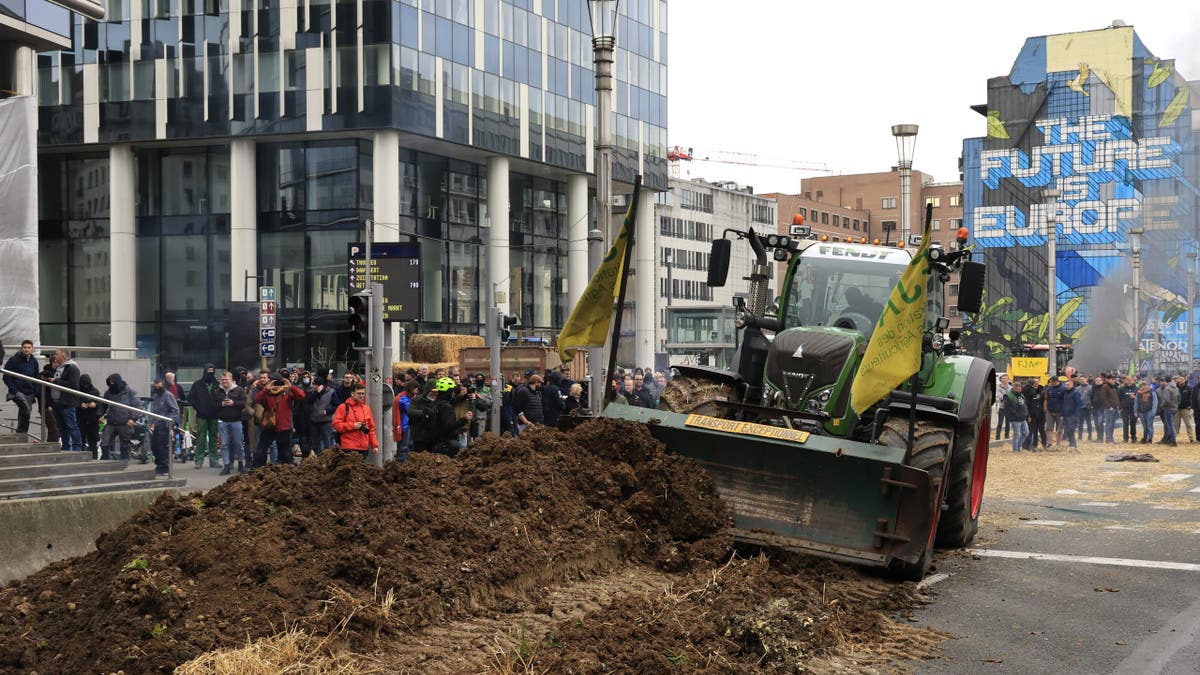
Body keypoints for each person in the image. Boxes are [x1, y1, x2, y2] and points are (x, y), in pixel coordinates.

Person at [410, 377, 472, 456]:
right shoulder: (446, 407)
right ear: (449, 392)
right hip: (444, 445)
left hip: (432, 443)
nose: (453, 393)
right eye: (452, 391)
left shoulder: (434, 403)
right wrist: (465, 419)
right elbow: (449, 426)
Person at [253, 375, 305, 467]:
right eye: (274, 382)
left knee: (286, 452)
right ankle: (256, 469)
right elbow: (257, 399)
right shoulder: (267, 393)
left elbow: (301, 396)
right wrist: (266, 389)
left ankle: (287, 470)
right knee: (261, 450)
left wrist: (291, 386)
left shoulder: (287, 392)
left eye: (279, 382)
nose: (277, 385)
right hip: (270, 426)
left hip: (284, 427)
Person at [99, 373, 142, 461]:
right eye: (109, 382)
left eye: (113, 382)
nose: (111, 384)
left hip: (125, 422)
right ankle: (105, 461)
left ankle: (124, 462)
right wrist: (99, 415)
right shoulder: (109, 392)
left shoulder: (130, 391)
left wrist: (133, 418)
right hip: (111, 421)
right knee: (105, 443)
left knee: (124, 445)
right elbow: (103, 405)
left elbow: (138, 406)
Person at [332, 383, 379, 458]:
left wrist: (374, 445)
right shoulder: (343, 407)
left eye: (363, 393)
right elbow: (336, 425)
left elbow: (371, 428)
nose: (361, 396)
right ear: (352, 394)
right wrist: (353, 426)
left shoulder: (366, 409)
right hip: (348, 447)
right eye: (359, 393)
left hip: (363, 448)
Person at [214, 370, 247, 474]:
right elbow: (212, 405)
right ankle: (227, 465)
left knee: (238, 443)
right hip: (222, 421)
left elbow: (244, 403)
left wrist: (234, 403)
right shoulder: (217, 391)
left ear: (231, 379)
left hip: (236, 420)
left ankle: (241, 463)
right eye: (222, 380)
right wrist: (221, 404)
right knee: (224, 444)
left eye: (226, 379)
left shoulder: (239, 390)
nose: (224, 381)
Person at [189, 363, 221, 469]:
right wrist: (198, 407)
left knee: (214, 438)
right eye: (208, 371)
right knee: (200, 438)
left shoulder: (218, 385)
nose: (210, 373)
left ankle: (214, 460)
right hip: (201, 415)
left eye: (212, 371)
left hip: (214, 415)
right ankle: (198, 460)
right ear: (204, 371)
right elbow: (191, 398)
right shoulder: (197, 384)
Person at [3, 340, 39, 434]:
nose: (26, 349)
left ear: (32, 349)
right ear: (21, 348)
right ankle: (21, 433)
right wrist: (13, 389)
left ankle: (21, 435)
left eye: (29, 347)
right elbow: (6, 376)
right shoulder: (14, 359)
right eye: (25, 347)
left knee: (25, 413)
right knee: (25, 409)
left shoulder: (34, 361)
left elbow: (36, 376)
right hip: (18, 391)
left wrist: (35, 391)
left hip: (29, 392)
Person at [50, 349, 83, 452]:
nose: (55, 356)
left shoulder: (72, 368)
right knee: (61, 426)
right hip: (57, 401)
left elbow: (72, 385)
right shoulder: (58, 368)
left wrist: (56, 381)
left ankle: (77, 447)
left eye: (57, 354)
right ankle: (65, 446)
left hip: (67, 402)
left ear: (63, 356)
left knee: (71, 425)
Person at [148, 378, 179, 476]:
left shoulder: (168, 395)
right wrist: (151, 422)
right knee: (155, 446)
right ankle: (159, 465)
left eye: (159, 386)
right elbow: (153, 411)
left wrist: (167, 421)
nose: (157, 387)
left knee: (163, 447)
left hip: (164, 425)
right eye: (155, 385)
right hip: (156, 425)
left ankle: (165, 467)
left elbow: (175, 410)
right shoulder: (155, 396)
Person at [309, 376, 337, 456]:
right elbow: (308, 402)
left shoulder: (331, 392)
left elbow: (336, 405)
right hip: (314, 420)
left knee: (326, 442)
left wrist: (328, 411)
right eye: (314, 384)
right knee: (315, 443)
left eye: (316, 385)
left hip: (326, 421)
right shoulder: (312, 392)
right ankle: (318, 457)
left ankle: (327, 458)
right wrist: (316, 393)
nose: (314, 386)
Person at [76, 374, 102, 459]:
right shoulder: (78, 391)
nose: (85, 386)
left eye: (87, 384)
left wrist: (95, 404)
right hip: (81, 419)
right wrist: (80, 405)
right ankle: (81, 458)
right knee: (81, 441)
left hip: (92, 420)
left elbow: (100, 403)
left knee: (93, 442)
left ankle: (94, 458)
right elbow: (74, 402)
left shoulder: (95, 391)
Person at [1004, 381, 1029, 453]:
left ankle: (1018, 446)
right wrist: (1015, 414)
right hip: (1015, 419)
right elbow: (1007, 407)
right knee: (1017, 434)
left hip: (1023, 418)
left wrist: (1026, 413)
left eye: (1020, 388)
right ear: (1014, 388)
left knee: (1026, 433)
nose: (1019, 389)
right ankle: (1015, 450)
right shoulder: (1008, 396)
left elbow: (1024, 405)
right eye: (1017, 388)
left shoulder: (1021, 395)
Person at [1097, 374, 1120, 444]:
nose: (1114, 380)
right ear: (1108, 380)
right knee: (1109, 424)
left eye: (1114, 379)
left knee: (1112, 424)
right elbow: (1104, 398)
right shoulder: (1105, 386)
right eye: (1112, 379)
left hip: (1115, 408)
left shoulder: (1113, 387)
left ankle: (1111, 438)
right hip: (1109, 409)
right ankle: (1108, 439)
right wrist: (1109, 407)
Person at [1043, 376, 1064, 448]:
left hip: (1060, 412)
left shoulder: (1063, 389)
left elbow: (1065, 401)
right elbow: (1046, 399)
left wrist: (1064, 412)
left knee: (1059, 428)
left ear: (1056, 381)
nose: (1050, 384)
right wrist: (1045, 408)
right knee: (1048, 427)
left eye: (1051, 382)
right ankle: (1049, 443)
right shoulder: (1049, 388)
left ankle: (1058, 444)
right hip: (1050, 411)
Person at [1158, 376, 1180, 446]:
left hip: (1168, 408)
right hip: (1174, 408)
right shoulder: (1176, 387)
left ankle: (1173, 441)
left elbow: (1166, 400)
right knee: (1168, 424)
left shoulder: (1167, 388)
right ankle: (1167, 439)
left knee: (1170, 425)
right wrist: (1176, 405)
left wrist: (1162, 405)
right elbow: (1179, 397)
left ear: (1165, 381)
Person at [1061, 378, 1081, 451]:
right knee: (1067, 430)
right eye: (1065, 385)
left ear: (1072, 385)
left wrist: (1076, 414)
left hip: (1072, 415)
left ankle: (1073, 444)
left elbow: (1079, 404)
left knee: (1071, 430)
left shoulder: (1075, 393)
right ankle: (1071, 444)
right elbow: (1063, 404)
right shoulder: (1065, 393)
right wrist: (1062, 414)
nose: (1066, 386)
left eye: (1068, 384)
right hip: (1066, 415)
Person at [1118, 375, 1139, 443]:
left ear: (1133, 381)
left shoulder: (1136, 388)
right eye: (1127, 380)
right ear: (1125, 381)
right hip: (1125, 409)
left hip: (1133, 409)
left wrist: (1134, 397)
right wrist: (1120, 407)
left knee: (1133, 423)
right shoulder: (1122, 388)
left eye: (1130, 380)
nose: (1129, 382)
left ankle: (1134, 437)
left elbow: (1139, 399)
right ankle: (1125, 438)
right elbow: (1119, 399)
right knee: (1125, 424)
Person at [1176, 375, 1195, 443]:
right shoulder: (1175, 388)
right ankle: (1173, 438)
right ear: (1178, 380)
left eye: (1182, 379)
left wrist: (1190, 405)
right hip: (1176, 409)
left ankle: (1191, 438)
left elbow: (1192, 397)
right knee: (1175, 425)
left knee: (1188, 424)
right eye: (1180, 379)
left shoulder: (1189, 388)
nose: (1181, 380)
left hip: (1185, 409)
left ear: (1185, 380)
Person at [1075, 375, 1093, 441]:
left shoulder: (1090, 388)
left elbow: (1092, 397)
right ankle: (1080, 436)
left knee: (1089, 422)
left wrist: (1090, 405)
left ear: (1086, 379)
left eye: (1083, 379)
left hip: (1088, 408)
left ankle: (1090, 436)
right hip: (1080, 408)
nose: (1082, 380)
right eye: (1080, 379)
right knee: (1080, 423)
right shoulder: (1077, 388)